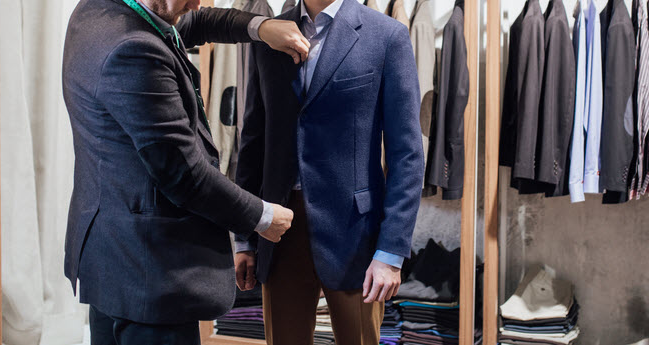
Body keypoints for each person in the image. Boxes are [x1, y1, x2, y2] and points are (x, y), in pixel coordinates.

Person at [61, 0, 310, 343]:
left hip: (110, 258)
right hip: (152, 272)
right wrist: (262, 217)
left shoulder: (96, 11)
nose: (196, 3)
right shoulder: (134, 49)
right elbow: (184, 175)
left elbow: (196, 21)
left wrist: (260, 28)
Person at [233, 0, 424, 343]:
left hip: (355, 234)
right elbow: (254, 140)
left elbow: (407, 154)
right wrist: (244, 236)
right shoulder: (269, 35)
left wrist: (391, 251)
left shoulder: (386, 36)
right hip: (278, 229)